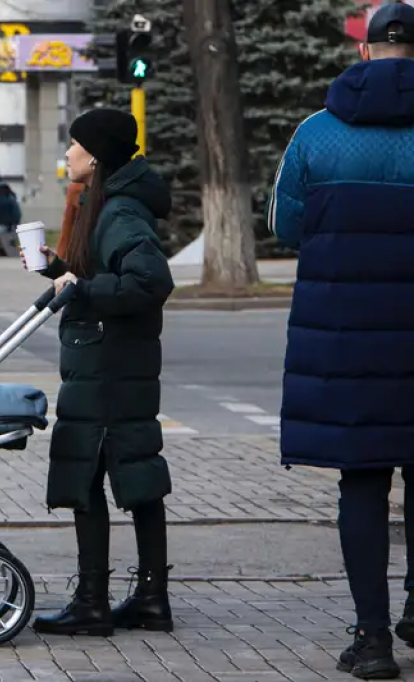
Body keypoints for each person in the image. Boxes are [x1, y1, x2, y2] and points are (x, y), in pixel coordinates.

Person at [268, 5, 414, 678]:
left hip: (349, 344)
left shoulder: (317, 133)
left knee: (362, 483)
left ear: (364, 53)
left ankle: (374, 637)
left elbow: (286, 226)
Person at [27, 109, 175, 638]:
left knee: (90, 472)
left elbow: (149, 280)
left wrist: (83, 290)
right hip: (114, 364)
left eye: (73, 145)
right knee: (134, 471)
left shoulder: (119, 212)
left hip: (109, 366)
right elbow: (104, 273)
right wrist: (60, 271)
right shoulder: (108, 204)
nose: (66, 154)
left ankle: (93, 601)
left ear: (95, 156)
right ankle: (151, 598)